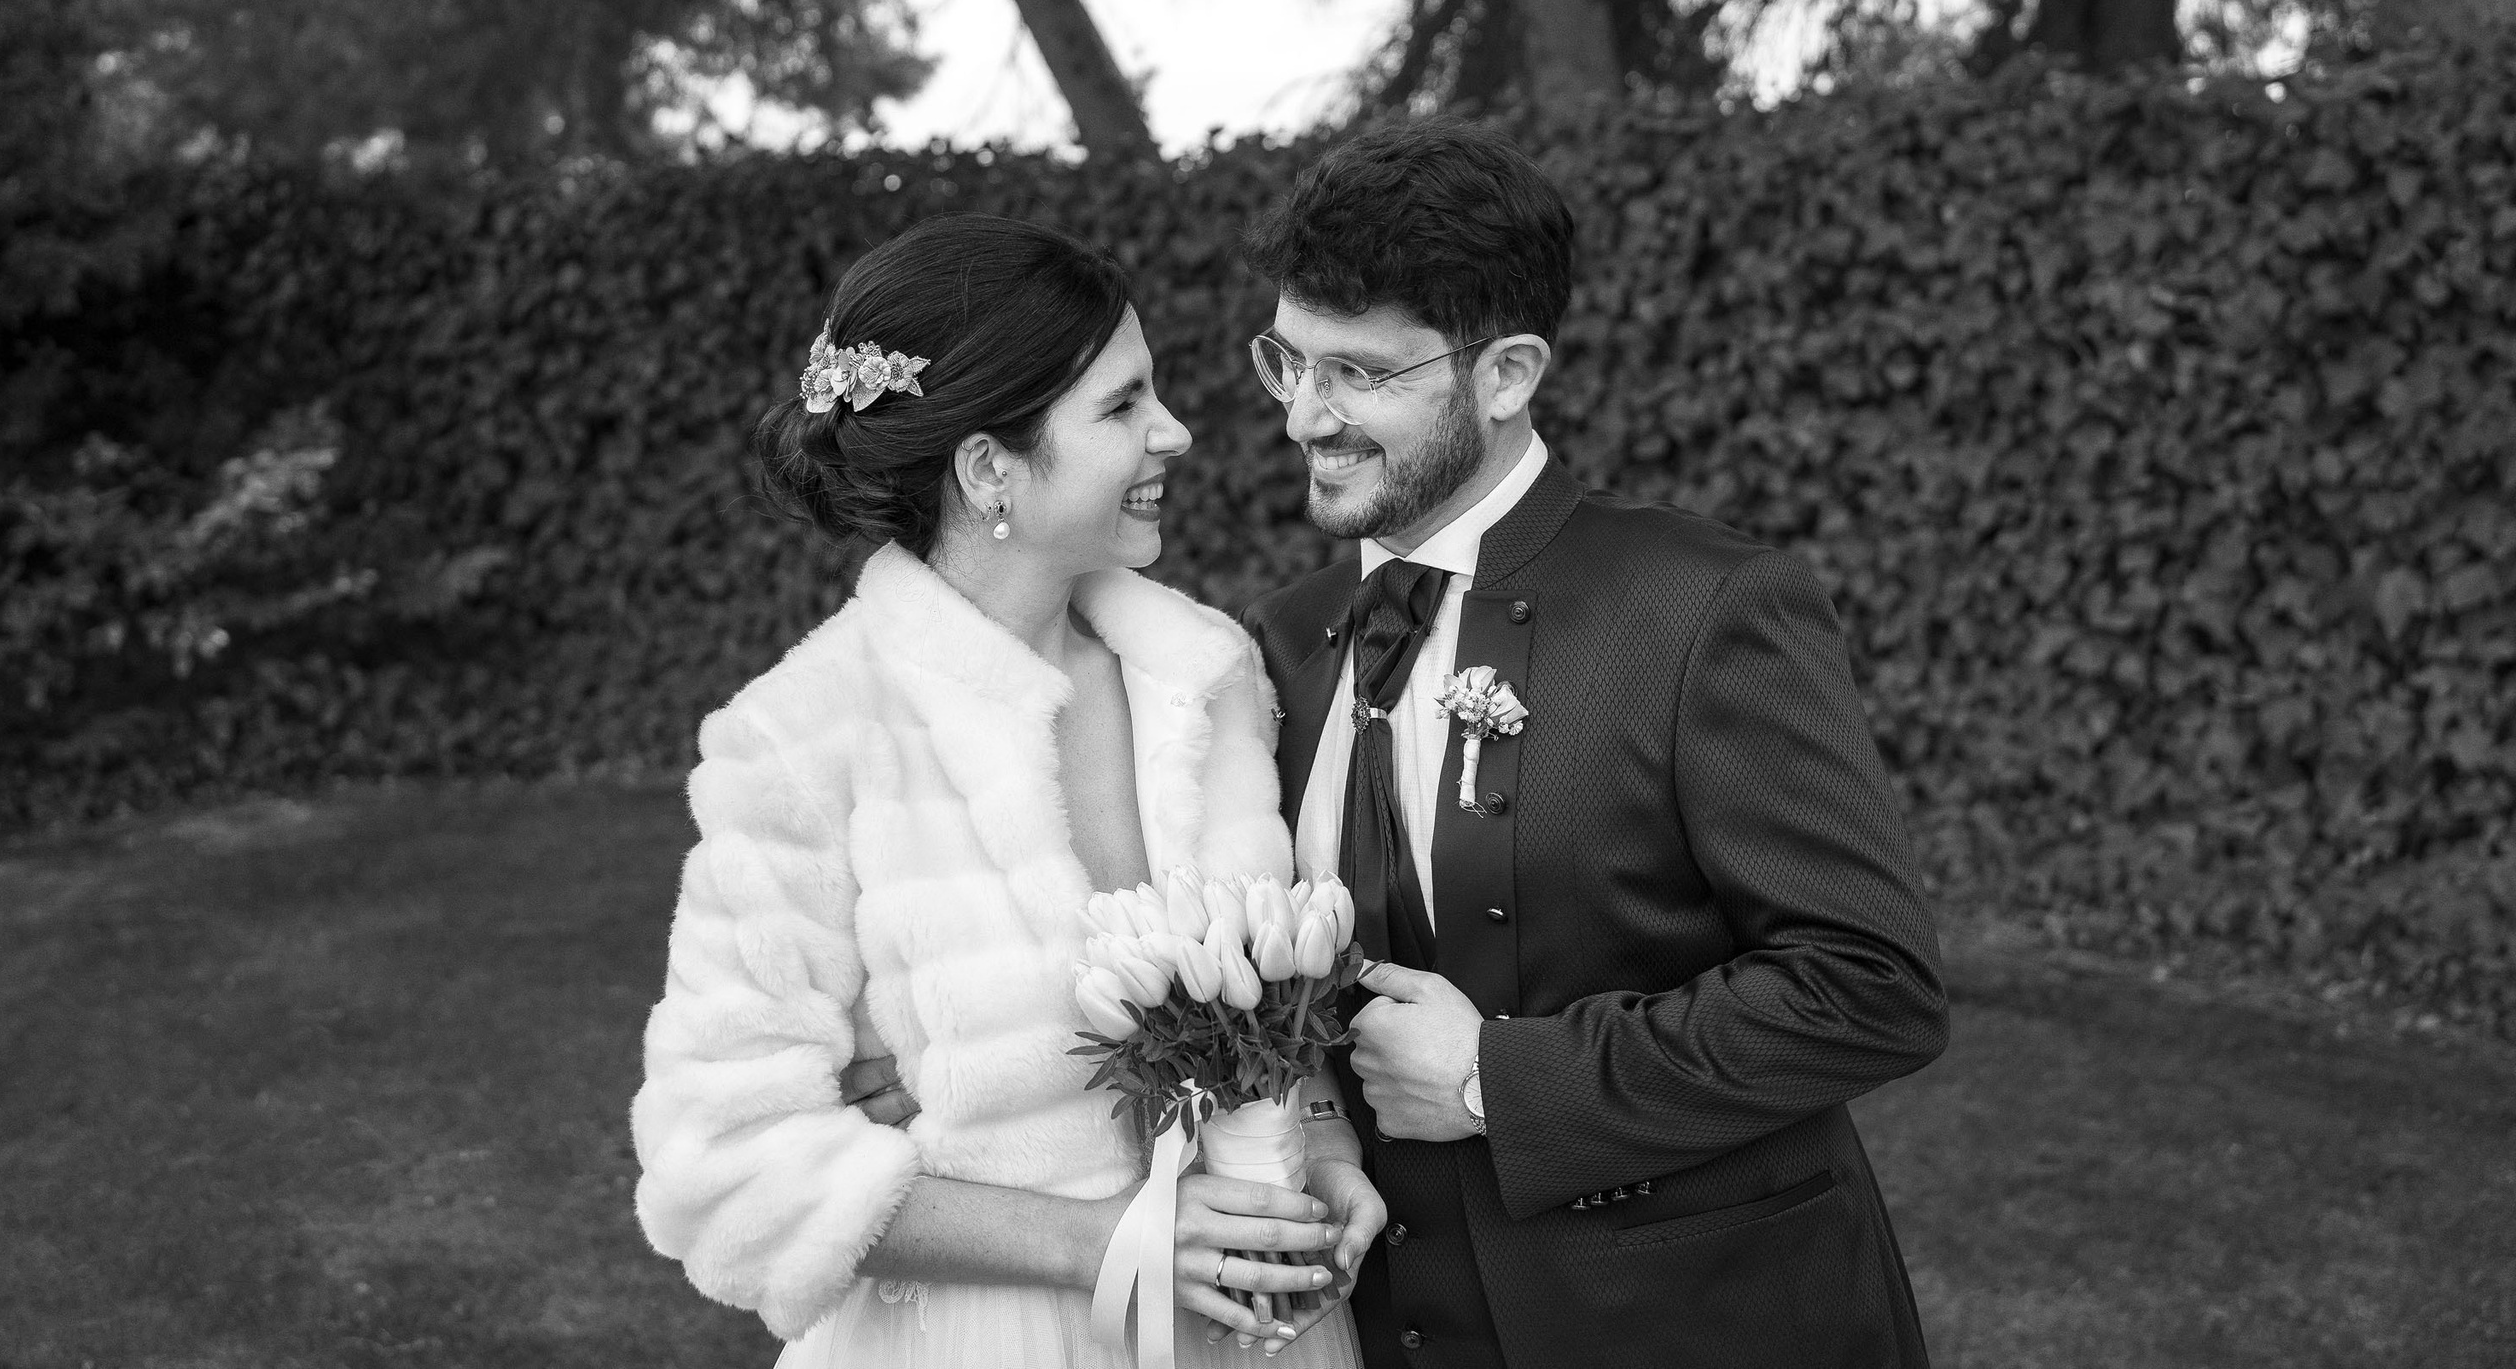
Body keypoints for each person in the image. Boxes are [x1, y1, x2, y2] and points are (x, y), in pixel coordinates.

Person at [1237, 123, 1951, 1369]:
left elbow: (1869, 987)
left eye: (1359, 373)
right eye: (1286, 361)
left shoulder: (1702, 609)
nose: (1306, 416)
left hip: (1692, 1325)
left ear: (1506, 374)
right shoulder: (1288, 640)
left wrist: (1496, 1081)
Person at [631, 215, 1382, 1368]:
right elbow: (724, 1164)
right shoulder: (801, 739)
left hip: (1255, 1331)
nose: (1175, 433)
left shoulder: (1211, 680)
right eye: (1123, 406)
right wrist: (1104, 1241)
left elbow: (1268, 993)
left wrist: (1321, 1149)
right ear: (990, 466)